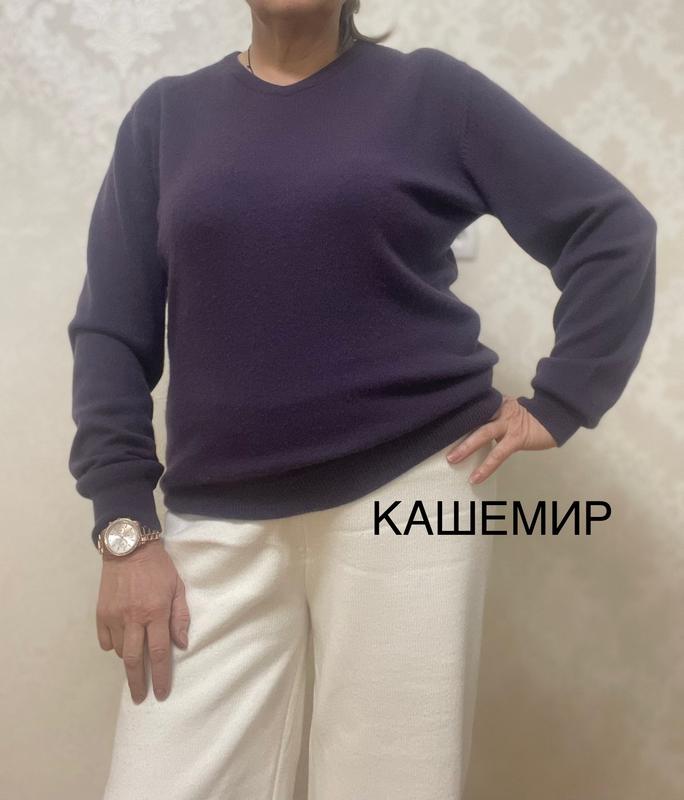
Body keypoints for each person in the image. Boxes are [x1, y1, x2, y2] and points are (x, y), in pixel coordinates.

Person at [66, 2, 657, 798]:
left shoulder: (433, 94)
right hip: (215, 511)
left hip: (409, 492)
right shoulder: (165, 118)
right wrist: (124, 531)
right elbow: (111, 332)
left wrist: (565, 396)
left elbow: (610, 229)